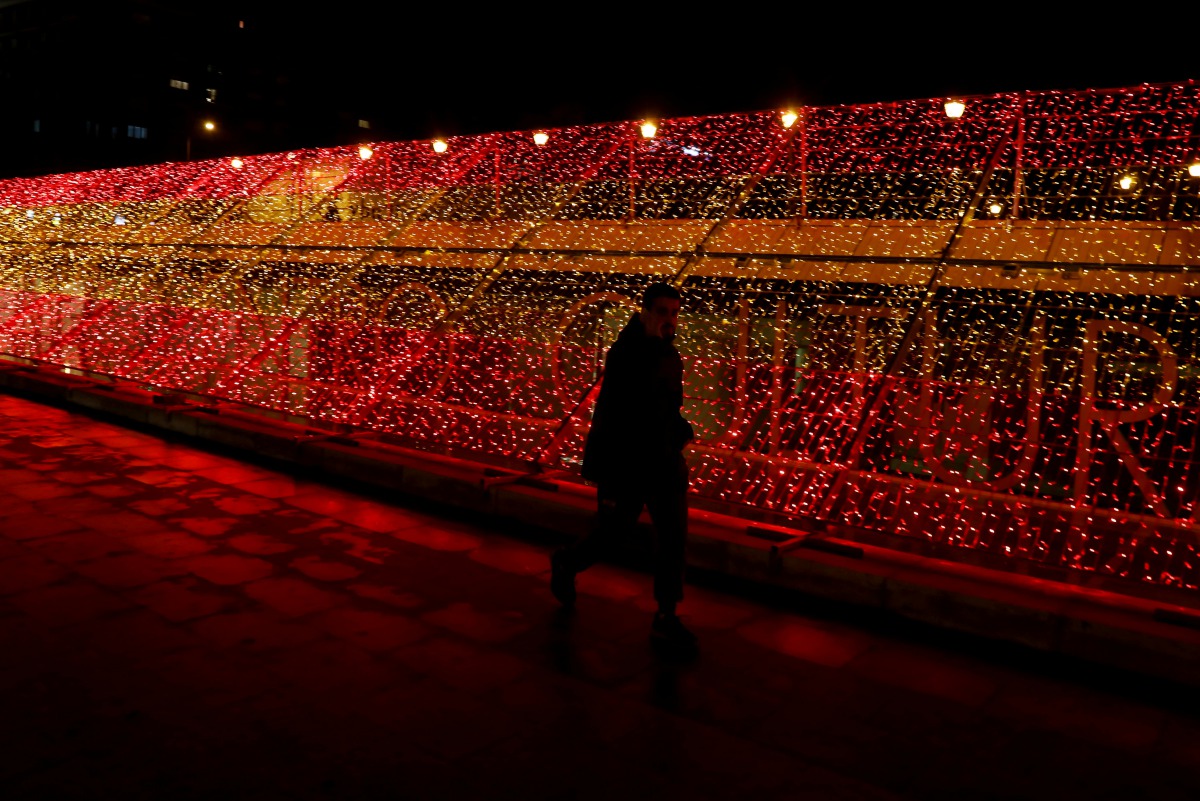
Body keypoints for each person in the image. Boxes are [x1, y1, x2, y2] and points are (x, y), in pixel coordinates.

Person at [551, 282, 697, 646]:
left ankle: (666, 615)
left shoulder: (668, 354)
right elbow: (619, 413)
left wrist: (680, 433)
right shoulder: (626, 353)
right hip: (628, 464)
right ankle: (568, 562)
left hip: (664, 462)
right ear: (646, 312)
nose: (670, 320)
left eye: (675, 313)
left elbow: (668, 407)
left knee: (673, 538)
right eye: (663, 312)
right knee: (611, 532)